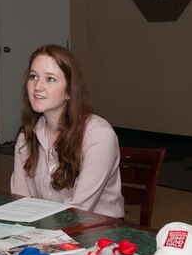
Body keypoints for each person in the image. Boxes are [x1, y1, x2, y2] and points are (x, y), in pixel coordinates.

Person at [10, 44, 124, 218]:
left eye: (50, 79)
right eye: (33, 77)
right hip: (46, 229)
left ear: (69, 91)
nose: (37, 86)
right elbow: (20, 203)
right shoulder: (26, 137)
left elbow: (79, 211)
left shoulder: (99, 135)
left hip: (98, 232)